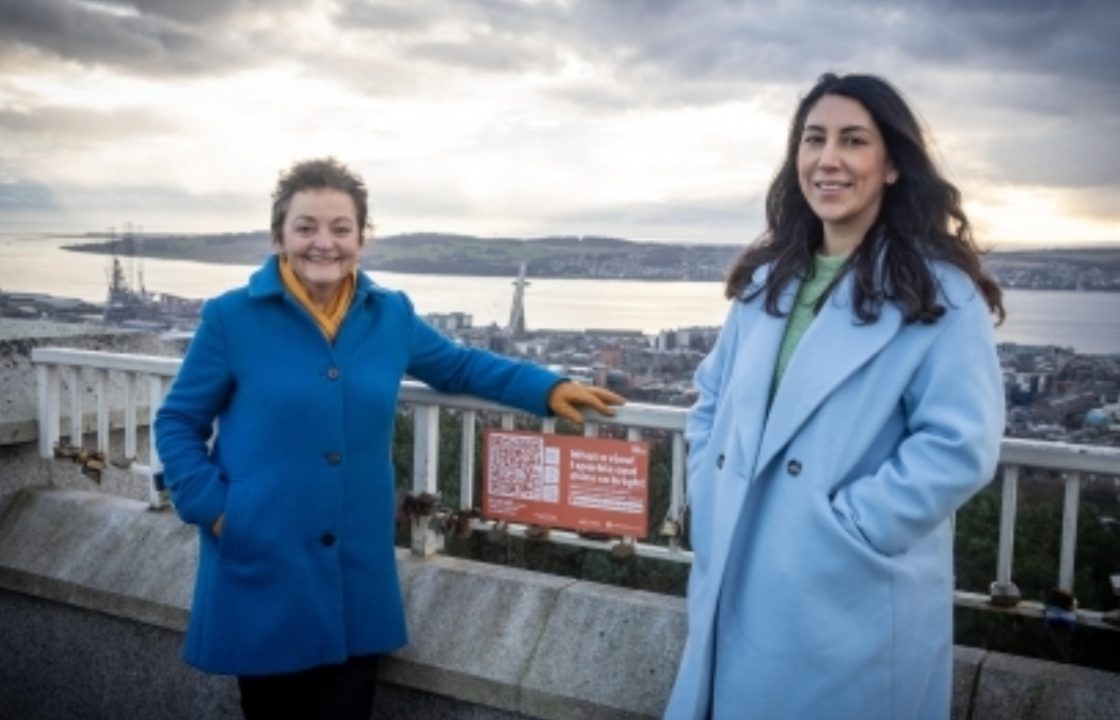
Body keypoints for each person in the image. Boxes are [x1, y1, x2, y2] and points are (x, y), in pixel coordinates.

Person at [154, 157, 623, 720]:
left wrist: (547, 388)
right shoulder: (232, 317)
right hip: (264, 557)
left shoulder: (390, 315)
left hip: (354, 566)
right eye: (305, 227)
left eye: (340, 228)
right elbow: (178, 421)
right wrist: (218, 510)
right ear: (280, 235)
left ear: (362, 237)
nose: (322, 243)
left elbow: (461, 368)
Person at [665, 73, 1006, 719]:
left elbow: (959, 446)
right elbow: (712, 397)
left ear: (893, 166)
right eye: (813, 139)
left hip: (847, 591)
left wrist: (847, 529)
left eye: (854, 141)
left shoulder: (941, 294)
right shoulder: (766, 280)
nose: (829, 160)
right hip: (738, 559)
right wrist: (710, 493)